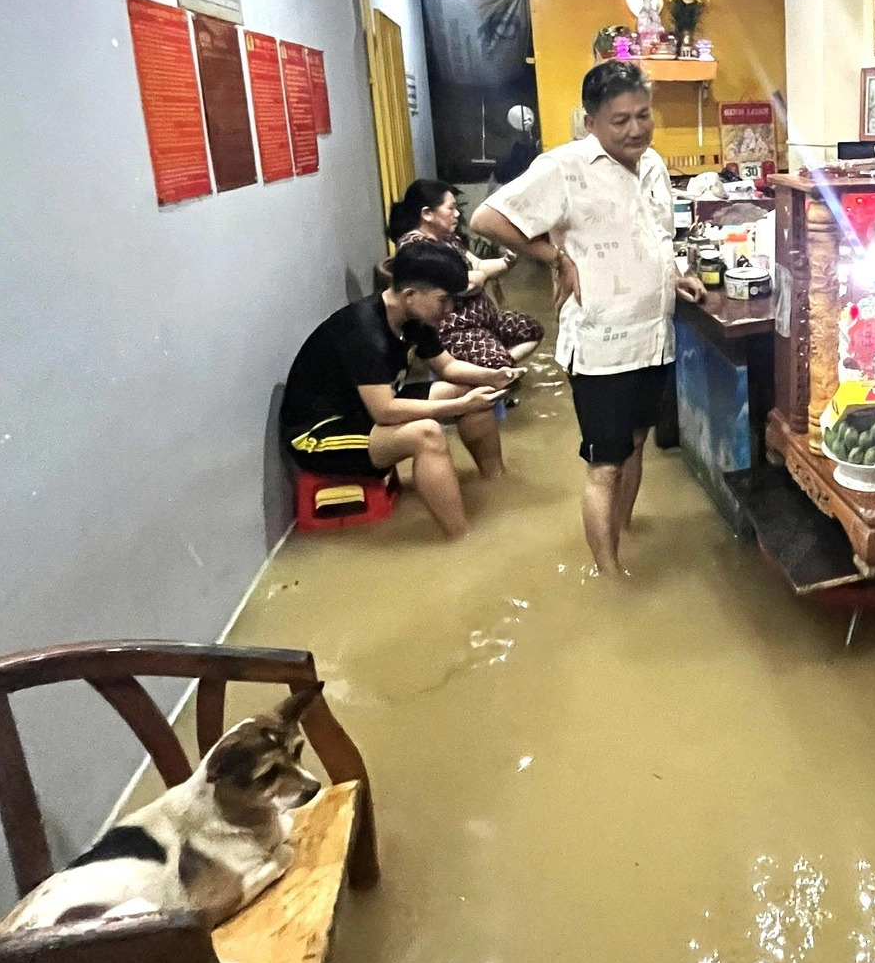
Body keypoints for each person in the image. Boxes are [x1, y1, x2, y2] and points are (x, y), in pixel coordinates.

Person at [470, 60, 705, 576]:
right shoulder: (564, 167)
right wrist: (555, 258)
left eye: (643, 115)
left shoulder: (654, 165)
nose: (636, 129)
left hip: (653, 338)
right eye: (620, 120)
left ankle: (624, 532)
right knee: (605, 465)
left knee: (638, 444)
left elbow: (658, 234)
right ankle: (609, 575)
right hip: (602, 347)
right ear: (591, 121)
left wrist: (676, 274)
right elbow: (486, 217)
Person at [279, 242, 515, 540]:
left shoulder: (414, 317)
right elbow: (385, 411)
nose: (450, 309)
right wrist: (457, 406)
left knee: (472, 392)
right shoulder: (364, 332)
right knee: (427, 434)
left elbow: (448, 367)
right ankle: (461, 539)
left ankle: (497, 484)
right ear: (410, 295)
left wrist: (493, 376)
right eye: (444, 300)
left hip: (363, 409)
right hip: (318, 435)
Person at [386, 179, 543, 371]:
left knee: (531, 330)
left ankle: (492, 368)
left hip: (486, 318)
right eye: (450, 208)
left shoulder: (448, 238)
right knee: (497, 363)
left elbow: (477, 265)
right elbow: (461, 284)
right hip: (456, 328)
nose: (457, 214)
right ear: (427, 213)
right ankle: (491, 370)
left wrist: (508, 260)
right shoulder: (416, 247)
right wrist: (475, 278)